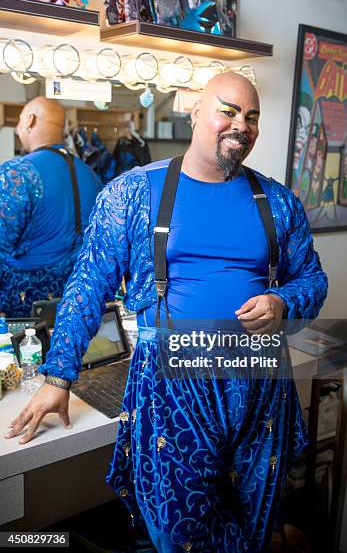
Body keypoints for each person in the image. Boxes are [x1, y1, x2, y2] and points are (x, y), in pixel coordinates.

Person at [5, 75, 328, 552]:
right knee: (180, 533)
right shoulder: (132, 193)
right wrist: (58, 378)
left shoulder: (278, 201)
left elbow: (313, 282)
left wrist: (283, 302)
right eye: (228, 110)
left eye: (252, 116)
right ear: (194, 112)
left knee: (256, 525)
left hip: (260, 385)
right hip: (173, 389)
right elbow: (88, 286)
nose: (242, 124)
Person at [0, 96, 101, 317]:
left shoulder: (17, 173)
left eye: (19, 121)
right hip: (77, 305)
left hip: (24, 308)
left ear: (29, 120)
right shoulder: (91, 175)